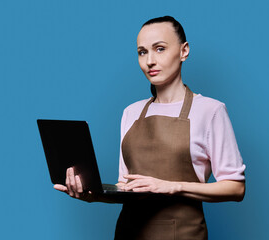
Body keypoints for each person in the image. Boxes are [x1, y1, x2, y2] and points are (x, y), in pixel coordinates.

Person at [54, 16, 246, 240]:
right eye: (142, 52)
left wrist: (172, 186)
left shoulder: (210, 111)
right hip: (128, 232)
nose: (150, 61)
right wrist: (92, 194)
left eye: (160, 49)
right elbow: (126, 187)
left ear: (184, 51)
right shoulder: (131, 113)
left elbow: (235, 188)